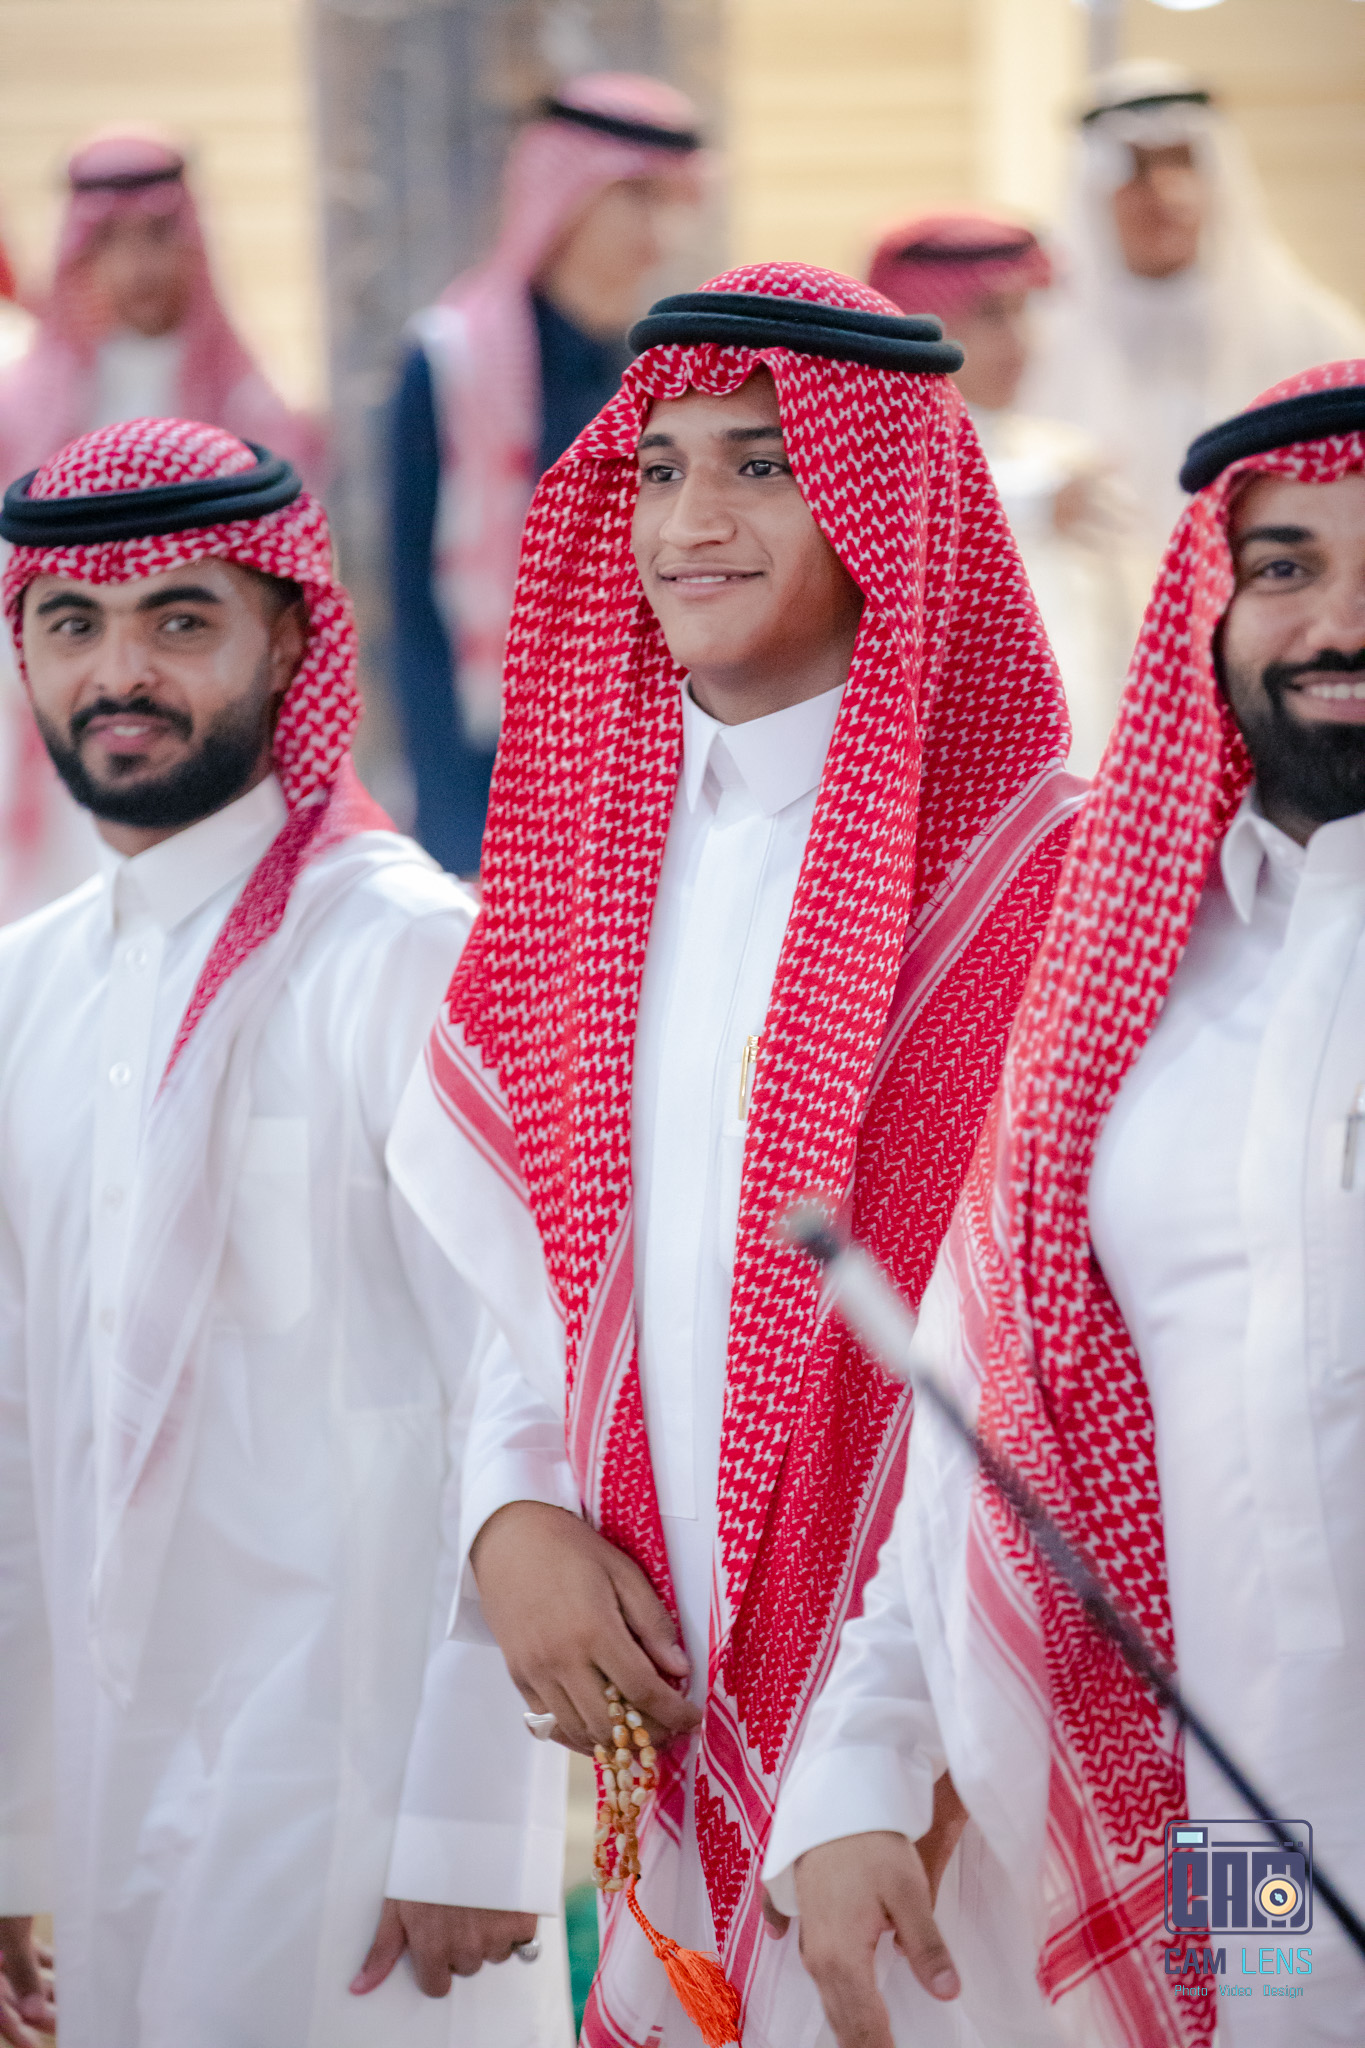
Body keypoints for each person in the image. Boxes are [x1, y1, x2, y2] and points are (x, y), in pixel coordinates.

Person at [386, 261, 1085, 2047]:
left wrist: (881, 1747)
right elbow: (540, 1271)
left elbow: (1037, 1377)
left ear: (881, 502)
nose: (690, 520)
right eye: (659, 468)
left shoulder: (1039, 887)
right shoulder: (580, 859)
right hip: (677, 1688)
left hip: (948, 1742)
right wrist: (511, 1511)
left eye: (763, 465)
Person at [763, 359, 1365, 2048]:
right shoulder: (1129, 982)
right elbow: (995, 1425)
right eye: (1286, 565)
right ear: (1211, 608)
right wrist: (866, 1760)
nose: (1338, 621)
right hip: (1239, 1839)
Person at [0, 417, 571, 2048]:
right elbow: (16, 1430)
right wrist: (14, 1829)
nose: (121, 670)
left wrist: (471, 1808)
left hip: (355, 1785)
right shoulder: (24, 989)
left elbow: (524, 1377)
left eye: (180, 619)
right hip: (115, 1782)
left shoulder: (408, 951)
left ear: (293, 640)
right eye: (72, 622)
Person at [0, 131, 327, 927]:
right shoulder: (20, 407)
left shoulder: (254, 410)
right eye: (111, 242)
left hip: (207, 733)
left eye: (156, 236)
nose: (138, 265)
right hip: (50, 730)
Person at [388, 72, 705, 874]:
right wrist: (454, 825)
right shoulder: (451, 363)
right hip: (492, 757)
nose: (659, 230)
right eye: (636, 196)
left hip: (642, 754)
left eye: (674, 201)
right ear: (566, 193)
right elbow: (418, 606)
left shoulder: (662, 367)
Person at [1026, 61, 1365, 577]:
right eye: (1136, 168)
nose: (1164, 191)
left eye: (1182, 161)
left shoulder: (1313, 335)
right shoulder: (1035, 344)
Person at [871, 212, 1135, 774]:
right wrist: (1038, 509)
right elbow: (910, 514)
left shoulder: (1068, 455)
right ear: (920, 323)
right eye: (991, 315)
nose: (1018, 341)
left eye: (1023, 312)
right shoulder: (872, 461)